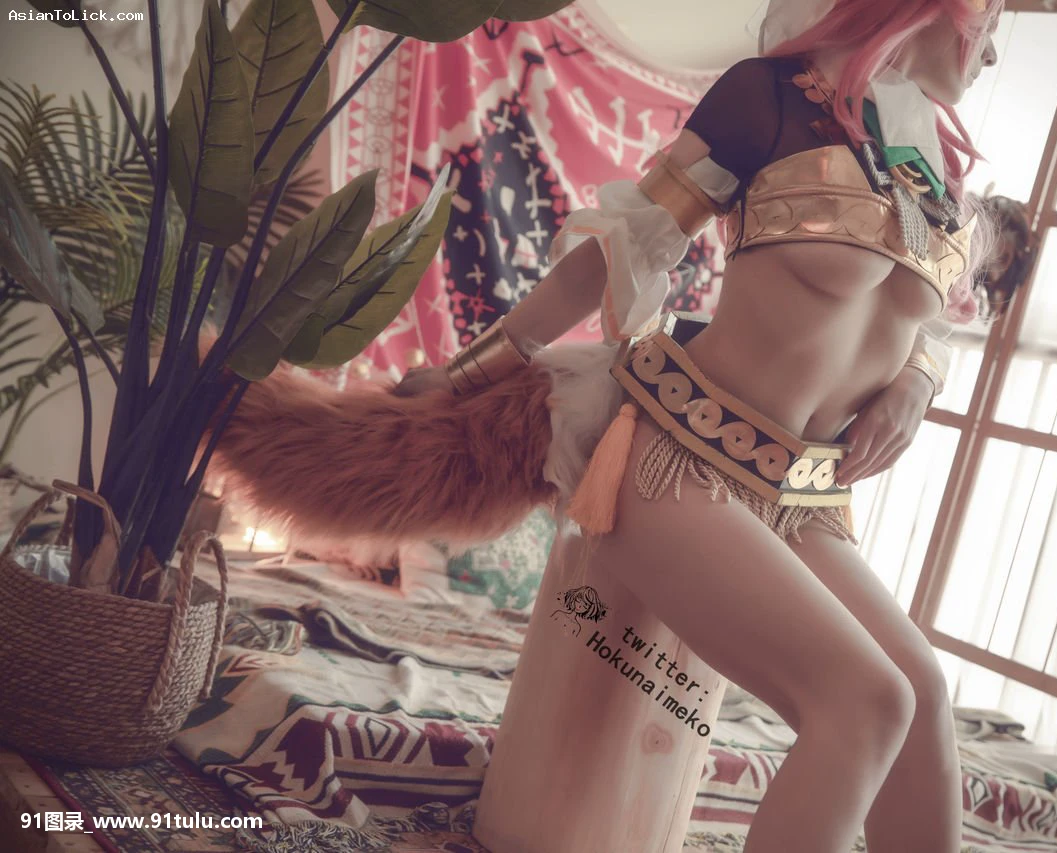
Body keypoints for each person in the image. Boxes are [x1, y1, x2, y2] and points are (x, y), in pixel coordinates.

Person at [214, 1, 1003, 850]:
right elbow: (615, 250)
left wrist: (917, 382)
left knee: (922, 695)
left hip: (803, 491)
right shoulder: (767, 98)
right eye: (992, 22)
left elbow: (932, 320)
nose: (992, 53)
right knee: (866, 699)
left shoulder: (922, 150)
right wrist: (468, 374)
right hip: (679, 457)